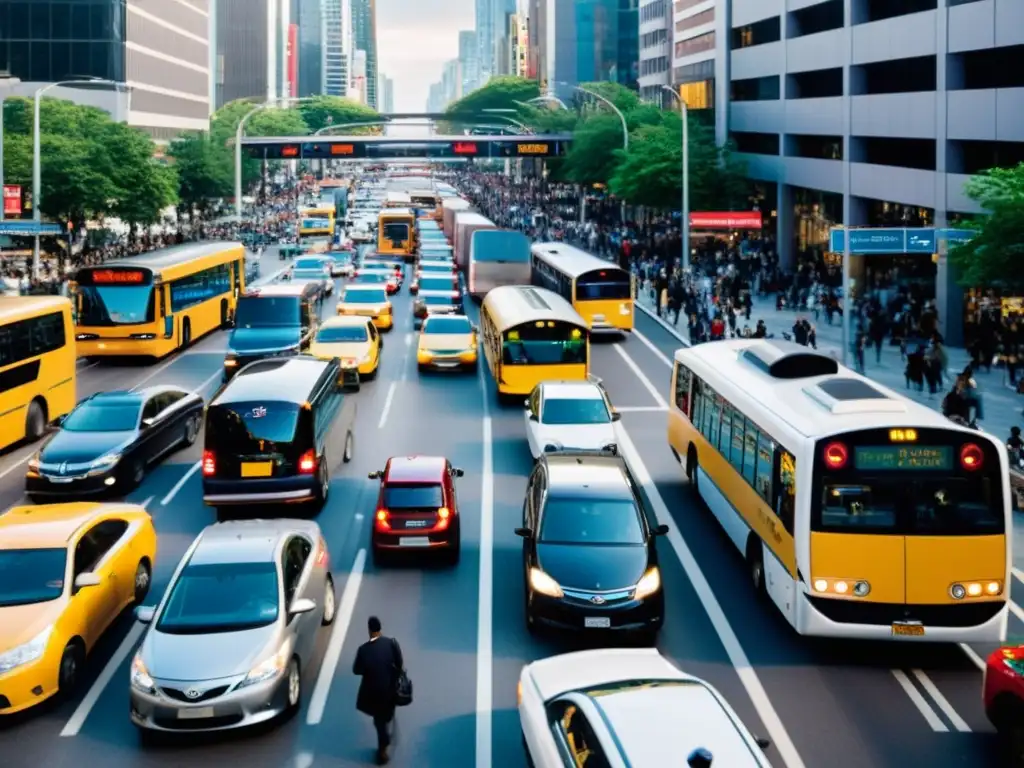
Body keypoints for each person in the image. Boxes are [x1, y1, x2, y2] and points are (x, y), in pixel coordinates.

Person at [353, 616, 404, 765]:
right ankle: (384, 740)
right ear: (380, 629)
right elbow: (399, 664)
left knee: (379, 722)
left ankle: (383, 747)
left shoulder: (363, 650)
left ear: (369, 630)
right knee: (386, 716)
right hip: (390, 690)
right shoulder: (391, 643)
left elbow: (357, 670)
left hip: (373, 693)